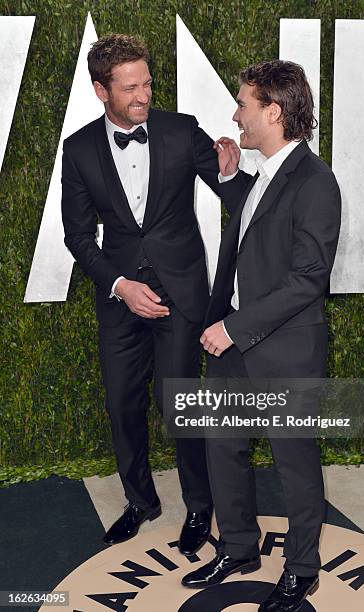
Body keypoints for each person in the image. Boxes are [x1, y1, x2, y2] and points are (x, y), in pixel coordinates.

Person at [61, 34, 246, 553]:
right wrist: (120, 285)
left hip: (181, 294)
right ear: (101, 90)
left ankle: (199, 508)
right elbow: (78, 236)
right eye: (130, 87)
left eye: (146, 82)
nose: (143, 94)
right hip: (121, 298)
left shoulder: (180, 130)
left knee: (180, 404)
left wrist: (230, 170)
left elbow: (234, 191)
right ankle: (140, 501)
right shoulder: (77, 150)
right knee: (122, 404)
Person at [181, 60, 341, 612]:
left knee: (295, 464)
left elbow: (306, 281)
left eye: (244, 105)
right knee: (223, 449)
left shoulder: (317, 182)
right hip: (235, 344)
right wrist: (229, 180)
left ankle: (301, 570)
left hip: (281, 350)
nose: (235, 115)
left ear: (274, 112)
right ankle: (240, 548)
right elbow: (259, 228)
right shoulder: (266, 176)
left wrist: (233, 326)